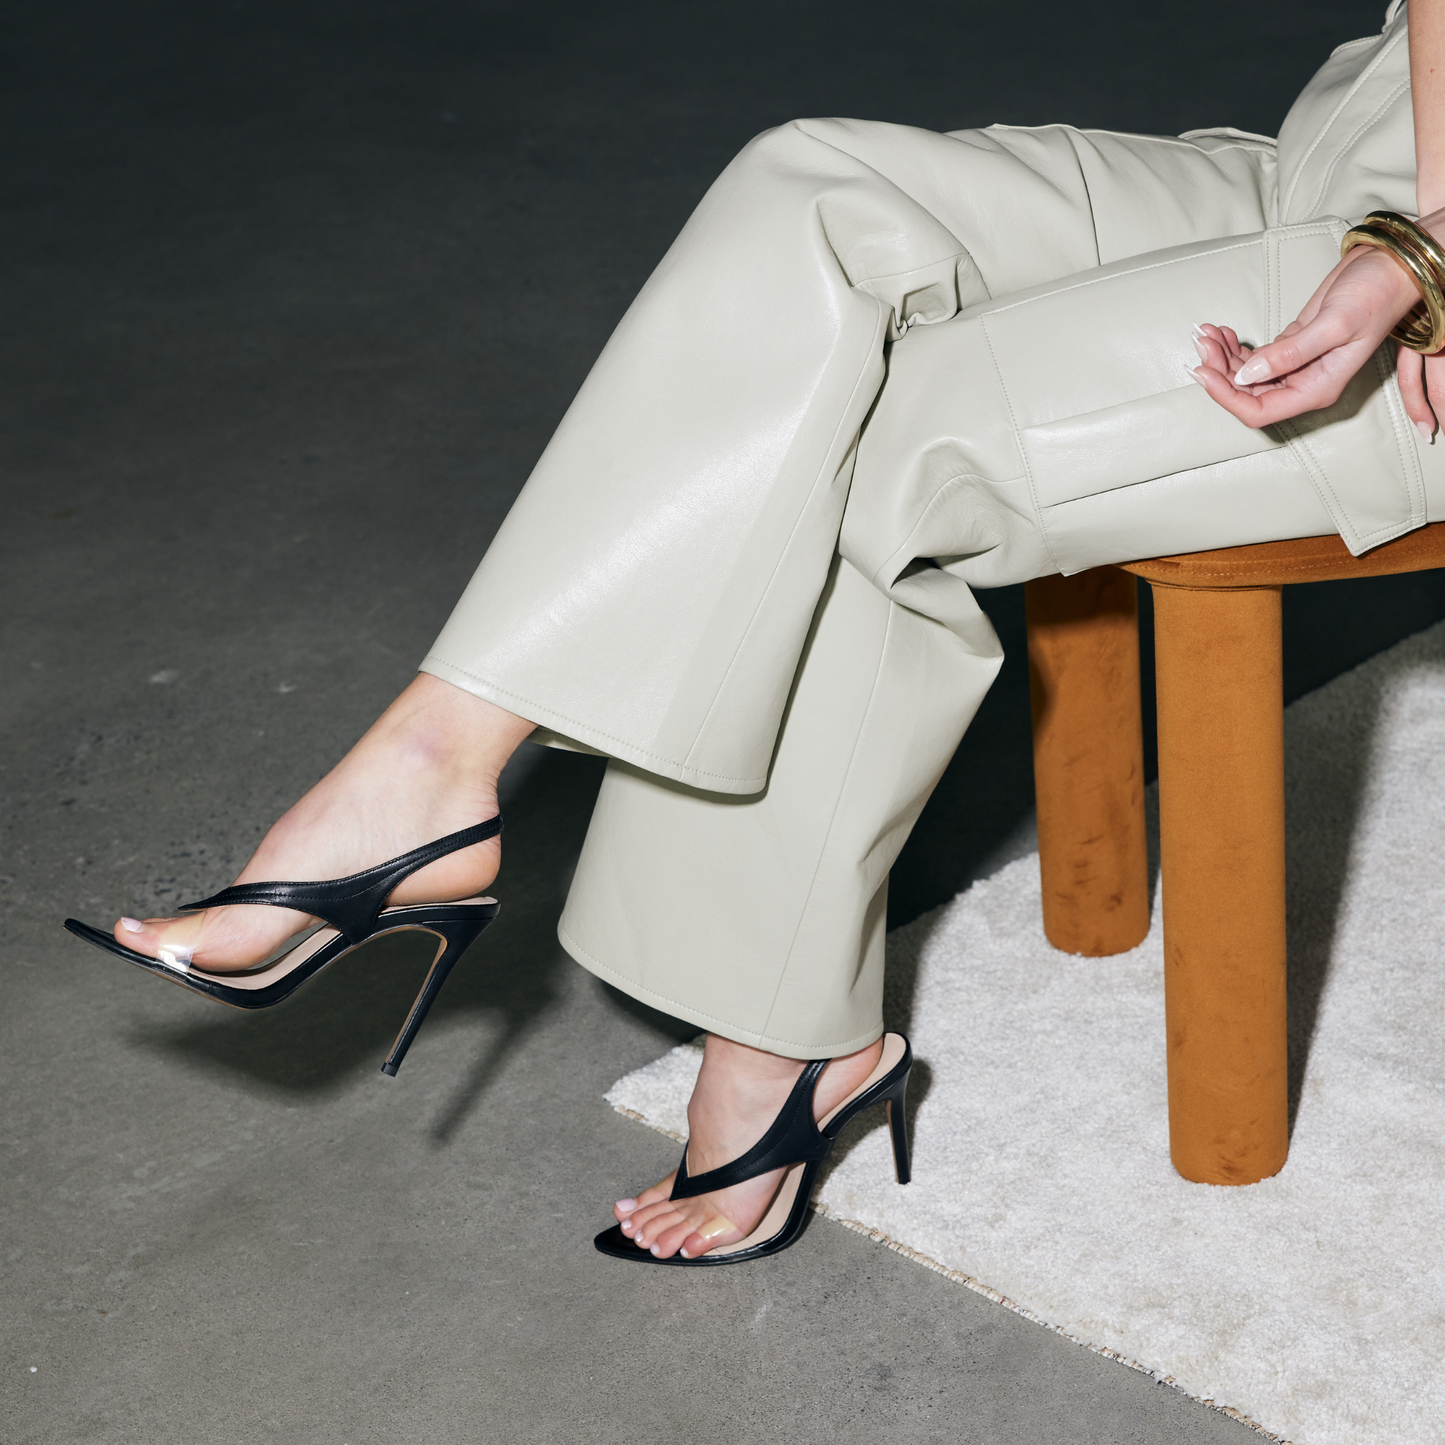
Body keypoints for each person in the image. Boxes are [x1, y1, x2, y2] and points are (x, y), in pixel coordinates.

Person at [66, 0, 1445, 1264]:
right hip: (1357, 152)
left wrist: (1426, 255)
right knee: (814, 193)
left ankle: (748, 1019)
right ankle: (435, 757)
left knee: (880, 450)